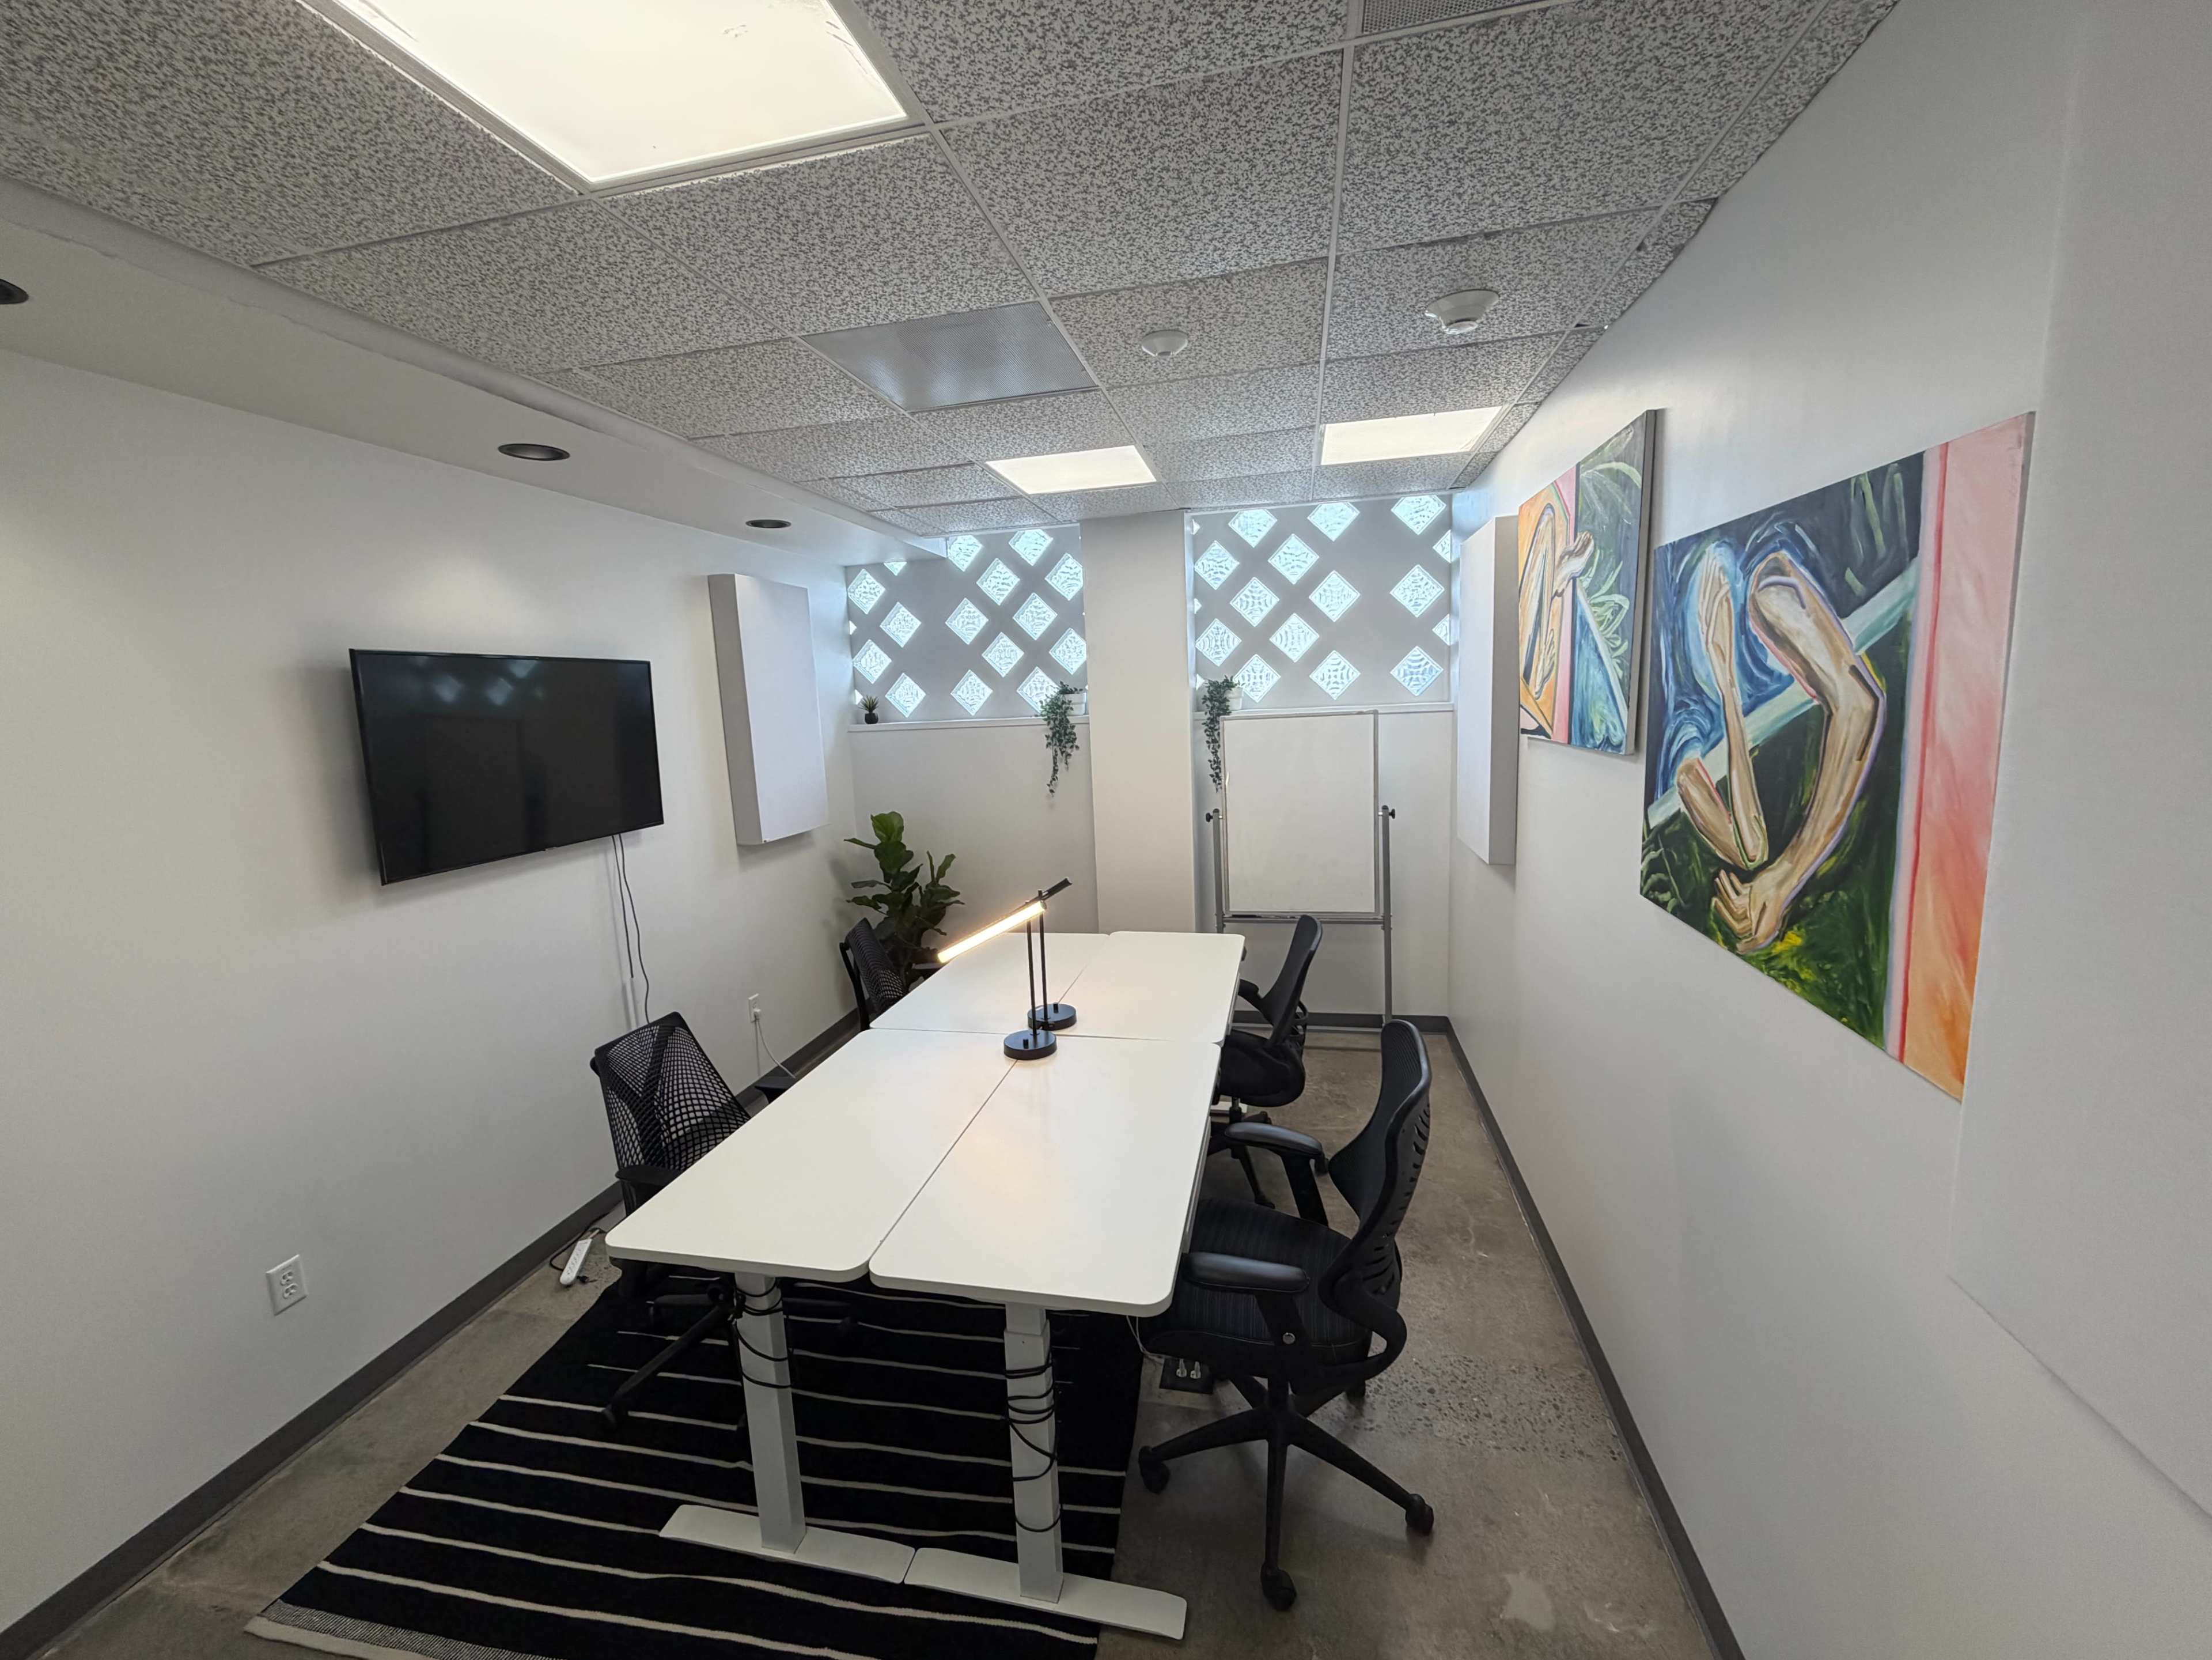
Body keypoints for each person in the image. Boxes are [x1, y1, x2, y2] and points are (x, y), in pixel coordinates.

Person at [1672, 546, 1884, 951]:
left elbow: (1859, 704)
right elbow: (1750, 851)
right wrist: (1726, 684)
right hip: (1721, 685)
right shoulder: (1687, 716)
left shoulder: (1764, 595)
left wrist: (1787, 876)